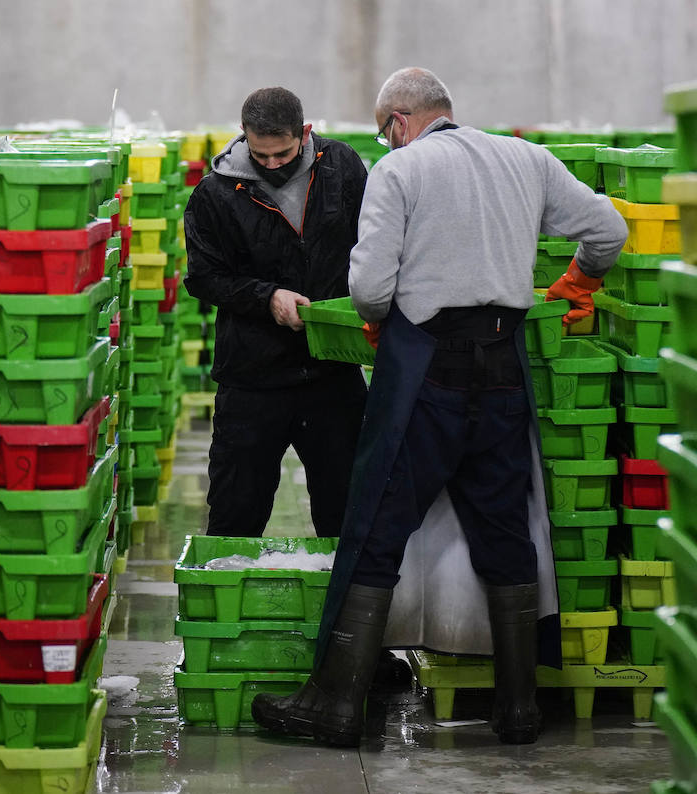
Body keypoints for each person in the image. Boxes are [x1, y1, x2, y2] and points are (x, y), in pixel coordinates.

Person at [252, 68, 628, 747]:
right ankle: (519, 709)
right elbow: (609, 231)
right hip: (504, 367)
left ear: (398, 122)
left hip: (428, 372)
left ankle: (335, 704)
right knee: (504, 526)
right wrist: (577, 280)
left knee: (375, 525)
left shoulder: (399, 172)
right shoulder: (526, 158)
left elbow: (369, 287)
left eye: (382, 131)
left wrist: (374, 319)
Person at [183, 87, 370, 541]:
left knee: (348, 514)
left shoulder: (342, 167)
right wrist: (266, 298)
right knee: (235, 513)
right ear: (243, 135)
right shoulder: (215, 193)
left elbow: (375, 244)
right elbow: (204, 278)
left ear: (303, 133)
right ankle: (226, 604)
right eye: (259, 153)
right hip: (252, 376)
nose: (270, 164)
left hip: (333, 370)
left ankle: (342, 610)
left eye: (282, 153)